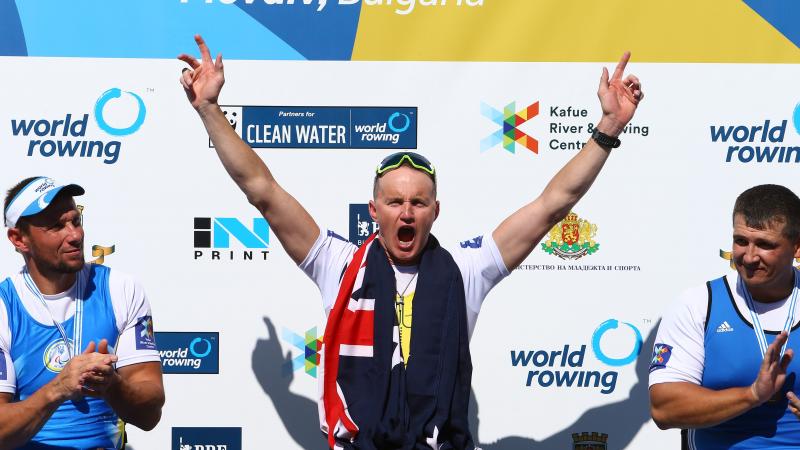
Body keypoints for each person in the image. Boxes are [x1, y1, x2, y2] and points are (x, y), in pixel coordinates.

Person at [179, 34, 643, 449]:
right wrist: (209, 109)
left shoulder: (467, 269)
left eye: (418, 203)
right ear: (373, 212)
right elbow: (263, 191)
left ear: (435, 212)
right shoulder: (339, 264)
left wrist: (607, 130)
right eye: (395, 202)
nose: (406, 212)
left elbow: (552, 206)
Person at [1, 176, 165, 449]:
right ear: (19, 239)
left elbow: (150, 414)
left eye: (75, 221)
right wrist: (58, 388)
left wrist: (112, 385)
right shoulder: (4, 306)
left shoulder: (119, 288)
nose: (75, 235)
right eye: (56, 226)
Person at [649, 184, 800, 449]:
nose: (749, 256)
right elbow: (664, 408)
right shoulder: (698, 304)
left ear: (797, 247)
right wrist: (752, 395)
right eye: (741, 241)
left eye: (765, 245)